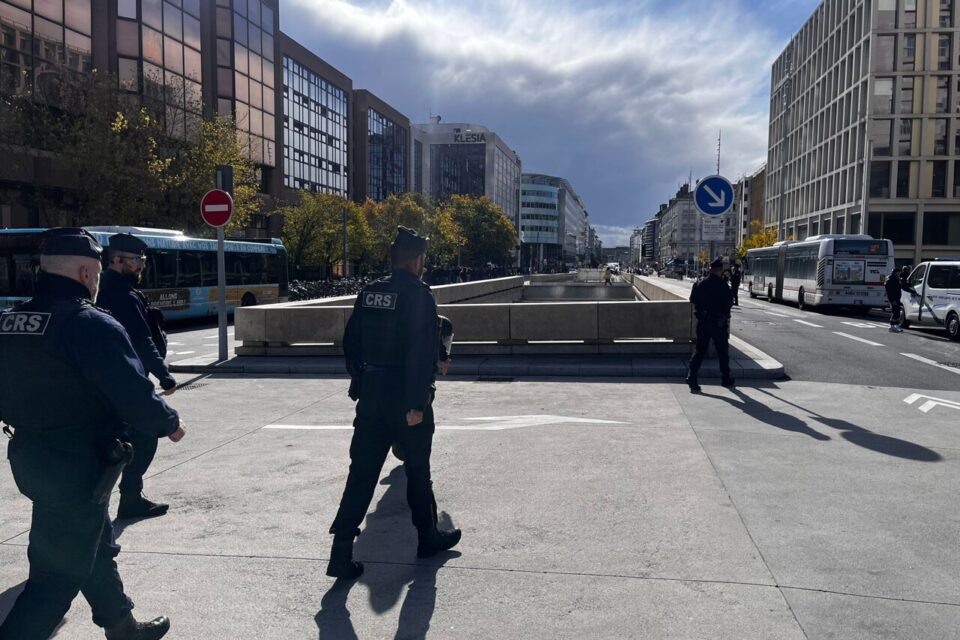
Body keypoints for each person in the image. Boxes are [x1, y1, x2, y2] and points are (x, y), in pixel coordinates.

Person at [0, 229, 186, 640]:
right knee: (53, 579)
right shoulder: (89, 323)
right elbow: (132, 392)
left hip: (31, 456)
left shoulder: (9, 321)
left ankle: (123, 627)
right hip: (78, 465)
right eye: (97, 273)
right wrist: (169, 423)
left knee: (95, 545)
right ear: (87, 273)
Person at [327, 227, 461, 579]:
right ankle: (427, 538)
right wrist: (417, 403)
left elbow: (351, 343)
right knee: (418, 470)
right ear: (417, 261)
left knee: (361, 474)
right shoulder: (419, 295)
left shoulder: (369, 293)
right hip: (405, 397)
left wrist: (362, 379)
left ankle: (340, 552)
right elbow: (420, 354)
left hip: (372, 395)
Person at [96, 233, 177, 521]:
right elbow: (142, 340)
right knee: (145, 435)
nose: (141, 265)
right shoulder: (123, 295)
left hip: (103, 380)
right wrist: (165, 377)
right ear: (116, 260)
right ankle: (128, 499)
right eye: (135, 260)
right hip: (126, 380)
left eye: (142, 260)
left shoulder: (101, 289)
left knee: (118, 438)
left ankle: (116, 499)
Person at [687, 257, 735, 392]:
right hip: (718, 324)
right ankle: (725, 378)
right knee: (722, 352)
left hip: (703, 323)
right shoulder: (723, 285)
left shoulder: (699, 284)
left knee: (699, 351)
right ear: (719, 271)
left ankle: (692, 376)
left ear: (710, 270)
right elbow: (728, 304)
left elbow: (692, 299)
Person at [885, 266, 916, 333]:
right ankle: (892, 326)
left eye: (899, 273)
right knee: (895, 312)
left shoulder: (897, 279)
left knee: (897, 312)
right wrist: (892, 300)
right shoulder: (890, 279)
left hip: (897, 298)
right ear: (895, 272)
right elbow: (889, 292)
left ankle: (895, 325)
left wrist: (913, 291)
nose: (899, 274)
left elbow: (904, 287)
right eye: (898, 272)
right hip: (893, 299)